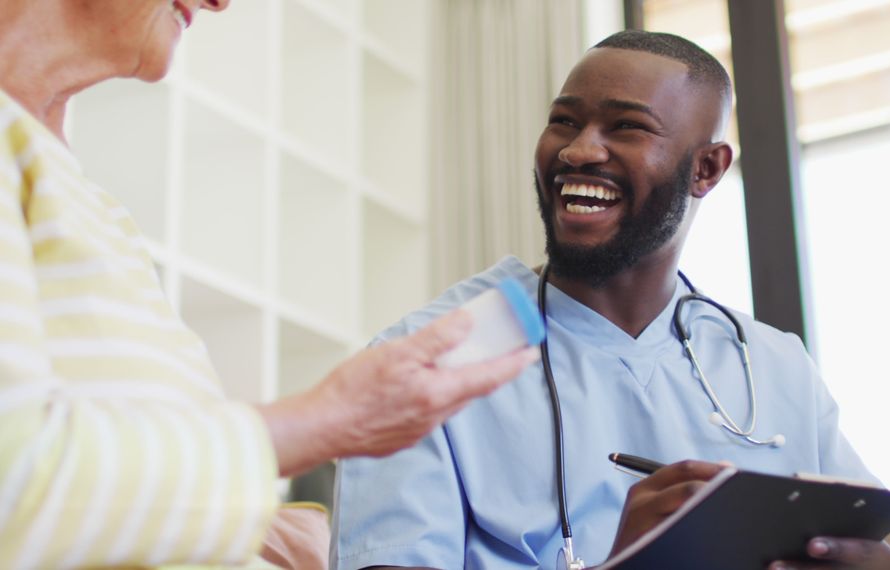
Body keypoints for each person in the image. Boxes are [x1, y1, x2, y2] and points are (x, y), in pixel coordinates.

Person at [332, 30, 890, 570]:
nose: (578, 151)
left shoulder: (773, 364)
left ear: (707, 169)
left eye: (626, 127)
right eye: (564, 121)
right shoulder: (428, 359)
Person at [0, 1, 537, 568]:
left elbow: (77, 484)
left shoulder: (84, 198)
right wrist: (327, 419)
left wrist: (253, 527)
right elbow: (14, 483)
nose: (221, 2)